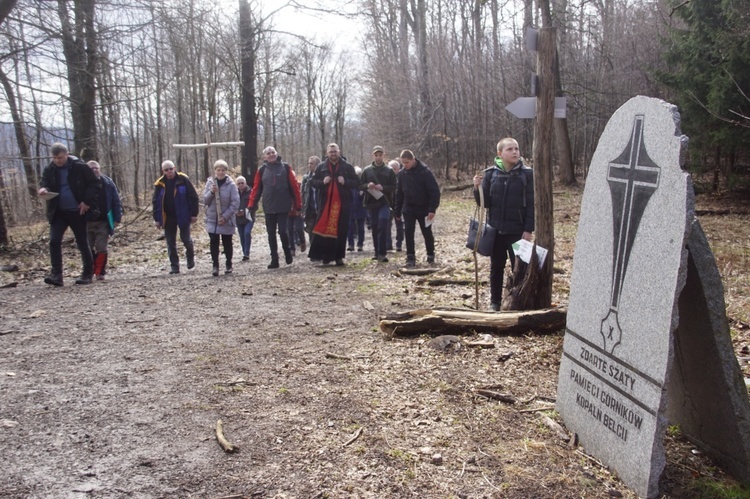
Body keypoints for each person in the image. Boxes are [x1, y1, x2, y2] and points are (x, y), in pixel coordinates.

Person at [472, 137, 534, 311]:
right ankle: (495, 303)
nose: (514, 152)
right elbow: (485, 203)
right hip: (496, 230)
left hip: (518, 231)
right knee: (496, 267)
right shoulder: (491, 174)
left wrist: (528, 229)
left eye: (516, 148)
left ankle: (518, 302)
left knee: (520, 268)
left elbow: (532, 204)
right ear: (500, 153)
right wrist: (477, 189)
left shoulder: (527, 174)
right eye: (510, 149)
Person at [38, 143, 101, 286]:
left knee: (82, 242)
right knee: (54, 241)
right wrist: (43, 189)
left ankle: (87, 274)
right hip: (58, 211)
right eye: (54, 158)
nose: (57, 161)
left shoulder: (79, 167)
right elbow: (44, 181)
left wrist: (86, 201)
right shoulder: (50, 168)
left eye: (60, 157)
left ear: (67, 155)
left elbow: (95, 184)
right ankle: (56, 275)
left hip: (77, 210)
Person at [247, 146, 302, 269]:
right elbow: (256, 189)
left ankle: (287, 252)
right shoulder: (261, 170)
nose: (271, 154)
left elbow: (294, 187)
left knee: (283, 231)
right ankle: (274, 259)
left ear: (276, 154)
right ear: (264, 157)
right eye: (268, 153)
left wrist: (298, 204)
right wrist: (251, 204)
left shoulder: (285, 167)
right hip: (269, 206)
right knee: (270, 233)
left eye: (273, 152)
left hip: (283, 205)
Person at [308, 143, 359, 266]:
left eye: (335, 151)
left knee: (340, 231)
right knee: (324, 229)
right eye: (331, 152)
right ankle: (326, 256)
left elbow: (357, 182)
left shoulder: (347, 167)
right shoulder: (321, 167)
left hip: (343, 204)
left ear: (339, 152)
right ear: (327, 153)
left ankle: (339, 257)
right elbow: (313, 182)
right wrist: (322, 182)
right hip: (325, 204)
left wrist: (345, 181)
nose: (333, 154)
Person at [394, 149, 440, 267]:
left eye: (407, 162)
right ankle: (410, 256)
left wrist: (432, 209)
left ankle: (430, 254)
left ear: (413, 160)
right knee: (409, 232)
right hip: (408, 208)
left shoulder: (425, 172)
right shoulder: (402, 174)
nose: (405, 165)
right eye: (403, 163)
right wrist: (397, 211)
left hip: (424, 208)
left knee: (427, 232)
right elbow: (399, 194)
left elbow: (434, 192)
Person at [152, 160, 199, 274]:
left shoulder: (183, 180)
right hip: (168, 216)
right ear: (163, 171)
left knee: (186, 239)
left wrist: (194, 214)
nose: (169, 171)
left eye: (171, 169)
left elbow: (194, 197)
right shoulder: (159, 184)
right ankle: (174, 266)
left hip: (183, 214)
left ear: (174, 168)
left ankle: (190, 257)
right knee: (170, 241)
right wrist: (157, 219)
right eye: (166, 170)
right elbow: (155, 202)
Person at [86, 161, 123, 280]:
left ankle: (100, 271)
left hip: (103, 221)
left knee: (102, 247)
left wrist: (117, 218)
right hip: (86, 222)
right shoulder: (81, 183)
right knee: (87, 247)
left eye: (96, 168)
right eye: (91, 169)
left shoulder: (107, 183)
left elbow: (115, 200)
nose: (94, 170)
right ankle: (89, 270)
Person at [203, 160, 240, 276]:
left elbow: (235, 202)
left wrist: (225, 216)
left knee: (227, 242)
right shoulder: (210, 183)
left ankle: (229, 263)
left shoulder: (231, 185)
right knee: (213, 241)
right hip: (212, 219)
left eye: (223, 170)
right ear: (215, 171)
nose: (220, 172)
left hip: (226, 218)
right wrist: (211, 192)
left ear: (226, 171)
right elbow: (204, 200)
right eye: (218, 170)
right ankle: (215, 265)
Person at [361, 146, 397, 262]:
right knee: (375, 228)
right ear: (373, 156)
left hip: (384, 203)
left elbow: (394, 187)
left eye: (380, 155)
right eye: (376, 155)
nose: (378, 157)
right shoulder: (367, 170)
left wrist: (383, 188)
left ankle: (382, 253)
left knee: (383, 224)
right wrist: (367, 186)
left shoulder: (389, 170)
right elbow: (360, 185)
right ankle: (377, 252)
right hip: (371, 203)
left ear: (383, 155)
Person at [235, 175, 255, 261]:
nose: (240, 185)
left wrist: (246, 211)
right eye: (238, 183)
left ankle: (247, 252)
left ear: (245, 183)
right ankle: (244, 253)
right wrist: (235, 211)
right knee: (242, 236)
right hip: (238, 219)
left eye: (242, 183)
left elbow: (255, 205)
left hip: (249, 218)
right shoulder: (234, 193)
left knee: (247, 233)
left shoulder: (251, 192)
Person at [347, 166, 367, 252]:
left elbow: (366, 198)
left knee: (361, 228)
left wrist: (363, 194)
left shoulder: (362, 186)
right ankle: (350, 244)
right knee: (350, 228)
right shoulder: (349, 186)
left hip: (361, 209)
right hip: (350, 209)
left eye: (358, 174)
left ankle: (360, 244)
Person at [287, 173, 307, 256]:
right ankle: (292, 248)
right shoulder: (284, 187)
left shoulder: (299, 186)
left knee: (299, 228)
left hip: (298, 211)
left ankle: (302, 241)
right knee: (290, 230)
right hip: (288, 212)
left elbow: (303, 196)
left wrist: (301, 209)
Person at [386, 159, 404, 252]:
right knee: (387, 225)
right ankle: (388, 244)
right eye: (391, 168)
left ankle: (399, 244)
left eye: (394, 168)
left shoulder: (402, 177)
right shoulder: (386, 178)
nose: (392, 170)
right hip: (388, 203)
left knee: (400, 225)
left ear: (398, 169)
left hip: (399, 205)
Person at [301, 155, 320, 238]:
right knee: (311, 231)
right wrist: (302, 209)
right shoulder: (306, 178)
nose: (309, 165)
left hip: (320, 209)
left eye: (312, 163)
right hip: (310, 209)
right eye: (308, 163)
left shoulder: (322, 177)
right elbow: (302, 194)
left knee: (320, 233)